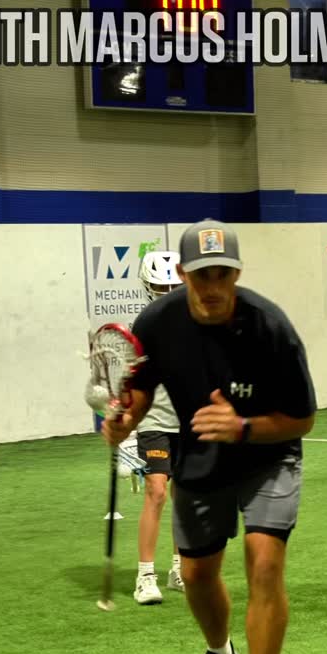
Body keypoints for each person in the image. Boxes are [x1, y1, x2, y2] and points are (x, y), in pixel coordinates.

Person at [102, 219, 316, 654]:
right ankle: (221, 653)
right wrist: (124, 421)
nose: (213, 286)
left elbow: (303, 418)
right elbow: (140, 391)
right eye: (202, 275)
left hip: (269, 454)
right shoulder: (157, 323)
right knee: (196, 575)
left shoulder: (271, 327)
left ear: (236, 273)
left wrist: (242, 427)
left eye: (222, 274)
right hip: (202, 454)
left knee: (264, 563)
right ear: (183, 274)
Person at [132, 251, 184, 604]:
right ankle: (145, 576)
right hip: (154, 420)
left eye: (173, 286)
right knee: (157, 491)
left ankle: (179, 569)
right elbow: (133, 383)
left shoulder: (199, 325)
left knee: (186, 496)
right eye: (160, 287)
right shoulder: (144, 328)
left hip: (189, 422)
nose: (167, 293)